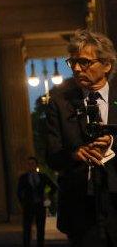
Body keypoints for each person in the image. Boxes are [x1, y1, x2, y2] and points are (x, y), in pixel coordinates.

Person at [46, 29, 117, 246]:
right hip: (80, 208)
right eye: (73, 62)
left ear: (107, 65)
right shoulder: (59, 102)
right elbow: (53, 157)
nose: (77, 68)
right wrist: (75, 154)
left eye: (84, 62)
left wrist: (112, 143)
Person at [18, 157, 57, 247]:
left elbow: (53, 187)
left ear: (36, 165)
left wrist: (47, 194)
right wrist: (22, 202)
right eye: (29, 164)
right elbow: (19, 191)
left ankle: (40, 244)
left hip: (40, 205)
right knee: (27, 228)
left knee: (40, 228)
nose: (31, 166)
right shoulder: (23, 178)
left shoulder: (42, 177)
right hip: (28, 205)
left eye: (32, 163)